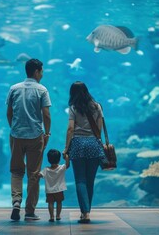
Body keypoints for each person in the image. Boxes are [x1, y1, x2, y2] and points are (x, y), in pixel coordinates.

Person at [6, 58, 51, 221]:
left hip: (16, 135)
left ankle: (16, 201)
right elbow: (46, 114)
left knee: (16, 171)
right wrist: (47, 134)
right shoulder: (42, 90)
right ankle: (30, 211)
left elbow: (9, 113)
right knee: (33, 174)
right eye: (42, 71)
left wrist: (14, 128)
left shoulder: (14, 88)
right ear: (37, 71)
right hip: (35, 136)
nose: (43, 74)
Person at [63, 81, 105, 224]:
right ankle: (86, 212)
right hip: (93, 144)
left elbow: (70, 129)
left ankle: (85, 212)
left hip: (78, 144)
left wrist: (66, 147)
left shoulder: (73, 108)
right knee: (90, 181)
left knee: (80, 180)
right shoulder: (97, 106)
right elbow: (98, 130)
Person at [38, 149, 70, 222]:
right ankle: (58, 216)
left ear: (48, 159)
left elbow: (39, 175)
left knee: (50, 203)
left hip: (49, 191)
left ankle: (51, 216)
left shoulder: (46, 169)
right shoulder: (61, 168)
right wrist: (67, 157)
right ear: (59, 159)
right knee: (59, 202)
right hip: (59, 190)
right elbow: (67, 165)